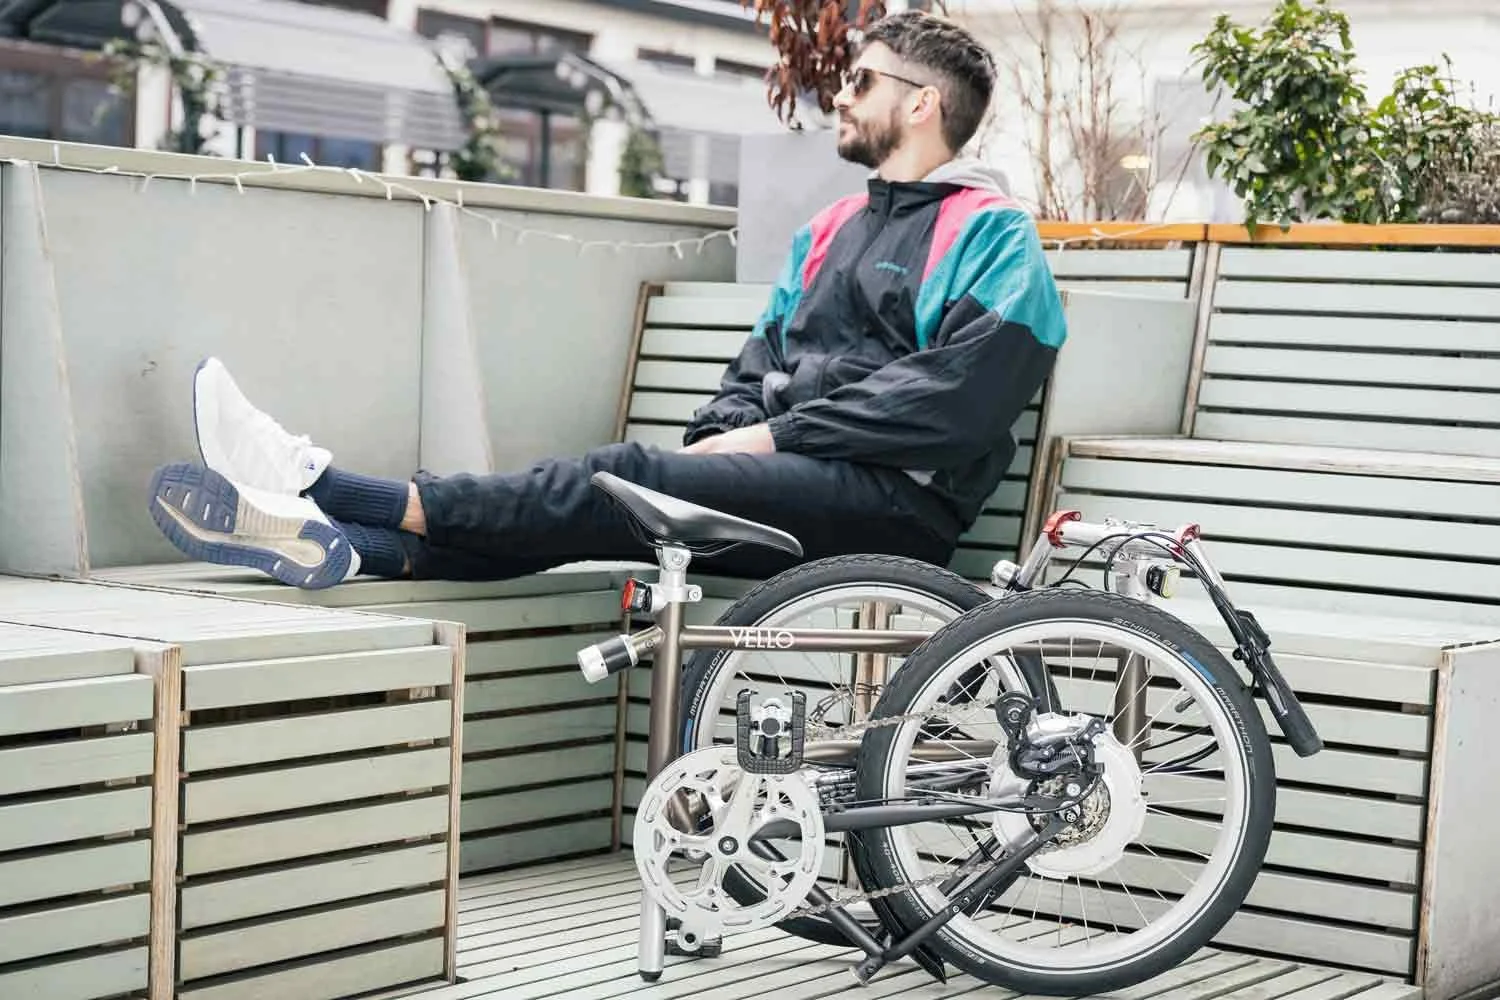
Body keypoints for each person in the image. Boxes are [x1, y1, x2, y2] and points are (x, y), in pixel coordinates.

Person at [146, 10, 1067, 591]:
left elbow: (957, 404)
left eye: (860, 80)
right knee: (611, 507)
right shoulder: (829, 230)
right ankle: (348, 544)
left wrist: (769, 442)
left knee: (623, 478)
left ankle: (326, 486)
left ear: (921, 106)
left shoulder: (994, 235)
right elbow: (757, 366)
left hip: (895, 513)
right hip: (796, 488)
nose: (840, 93)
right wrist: (728, 434)